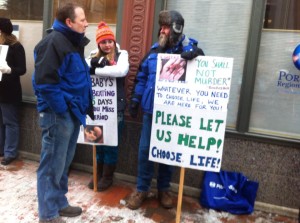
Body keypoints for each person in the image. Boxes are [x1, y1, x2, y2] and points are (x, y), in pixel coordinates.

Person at [127, 10, 204, 210]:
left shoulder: (188, 50)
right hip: (151, 112)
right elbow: (142, 78)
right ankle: (142, 189)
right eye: (161, 27)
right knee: (145, 151)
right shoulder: (153, 52)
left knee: (168, 152)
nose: (162, 30)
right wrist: (135, 100)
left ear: (176, 29)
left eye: (166, 27)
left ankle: (164, 189)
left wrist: (198, 57)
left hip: (173, 115)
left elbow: (204, 74)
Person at [32, 3, 93, 223]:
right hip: (58, 114)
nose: (86, 23)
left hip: (71, 113)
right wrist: (61, 110)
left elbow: (75, 77)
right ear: (69, 22)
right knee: (51, 166)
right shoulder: (53, 42)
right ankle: (47, 215)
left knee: (63, 163)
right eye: (82, 20)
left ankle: (59, 202)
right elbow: (45, 83)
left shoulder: (71, 41)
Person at [85, 21, 129, 191]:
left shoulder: (122, 54)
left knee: (110, 143)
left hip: (115, 107)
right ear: (98, 43)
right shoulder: (91, 54)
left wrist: (96, 69)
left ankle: (107, 176)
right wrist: (95, 63)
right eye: (103, 42)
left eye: (109, 41)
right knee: (96, 142)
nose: (107, 45)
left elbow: (120, 71)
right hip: (96, 107)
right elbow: (84, 66)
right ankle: (97, 172)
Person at [0, 18, 26, 165]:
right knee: (0, 122)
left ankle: (10, 152)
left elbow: (22, 69)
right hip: (0, 90)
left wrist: (9, 70)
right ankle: (1, 149)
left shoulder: (16, 47)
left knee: (10, 122)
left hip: (10, 91)